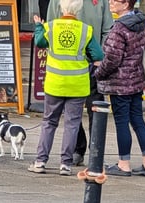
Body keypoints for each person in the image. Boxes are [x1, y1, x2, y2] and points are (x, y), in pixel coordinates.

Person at [29, 0, 103, 176]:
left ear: (61, 8)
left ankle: (40, 161)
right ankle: (66, 164)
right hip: (77, 85)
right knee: (72, 124)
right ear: (78, 10)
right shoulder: (86, 30)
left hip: (55, 83)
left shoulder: (51, 27)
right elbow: (98, 55)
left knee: (49, 122)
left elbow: (39, 42)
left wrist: (39, 26)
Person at [93, 0, 145, 177]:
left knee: (122, 123)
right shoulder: (141, 24)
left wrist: (98, 72)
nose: (111, 2)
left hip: (120, 84)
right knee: (138, 120)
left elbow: (112, 59)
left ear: (126, 4)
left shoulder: (119, 29)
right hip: (136, 81)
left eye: (116, 0)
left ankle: (124, 164)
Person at [47, 0, 113, 167]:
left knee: (96, 110)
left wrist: (100, 56)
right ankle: (78, 148)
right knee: (71, 114)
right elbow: (49, 31)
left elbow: (108, 31)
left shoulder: (102, 1)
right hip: (68, 68)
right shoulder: (56, 1)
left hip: (93, 66)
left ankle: (96, 154)